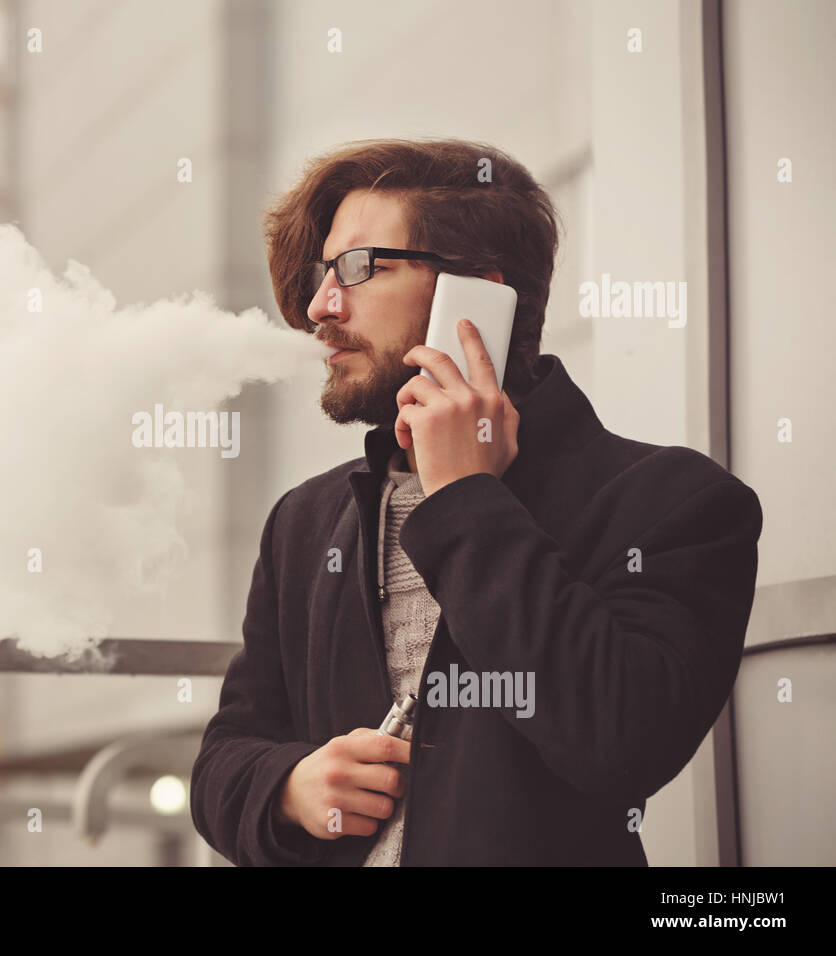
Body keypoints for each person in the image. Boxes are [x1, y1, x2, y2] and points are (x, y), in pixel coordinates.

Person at [189, 139, 763, 866]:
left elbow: (621, 742)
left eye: (361, 268)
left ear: (479, 299)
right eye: (322, 274)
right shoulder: (303, 522)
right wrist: (289, 786)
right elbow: (220, 762)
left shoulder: (676, 503)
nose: (319, 307)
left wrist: (465, 497)